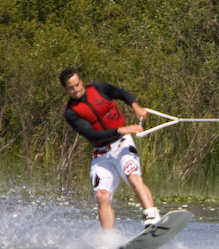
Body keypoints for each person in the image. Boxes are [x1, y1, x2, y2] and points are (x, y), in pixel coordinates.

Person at [59, 66, 161, 230]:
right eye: (71, 88)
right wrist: (121, 130)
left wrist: (136, 106)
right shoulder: (70, 113)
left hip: (122, 144)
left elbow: (122, 94)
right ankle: (108, 239)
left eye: (77, 84)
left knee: (133, 177)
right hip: (101, 154)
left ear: (81, 81)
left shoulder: (99, 88)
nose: (76, 89)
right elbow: (91, 134)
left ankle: (151, 216)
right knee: (101, 195)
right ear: (65, 89)